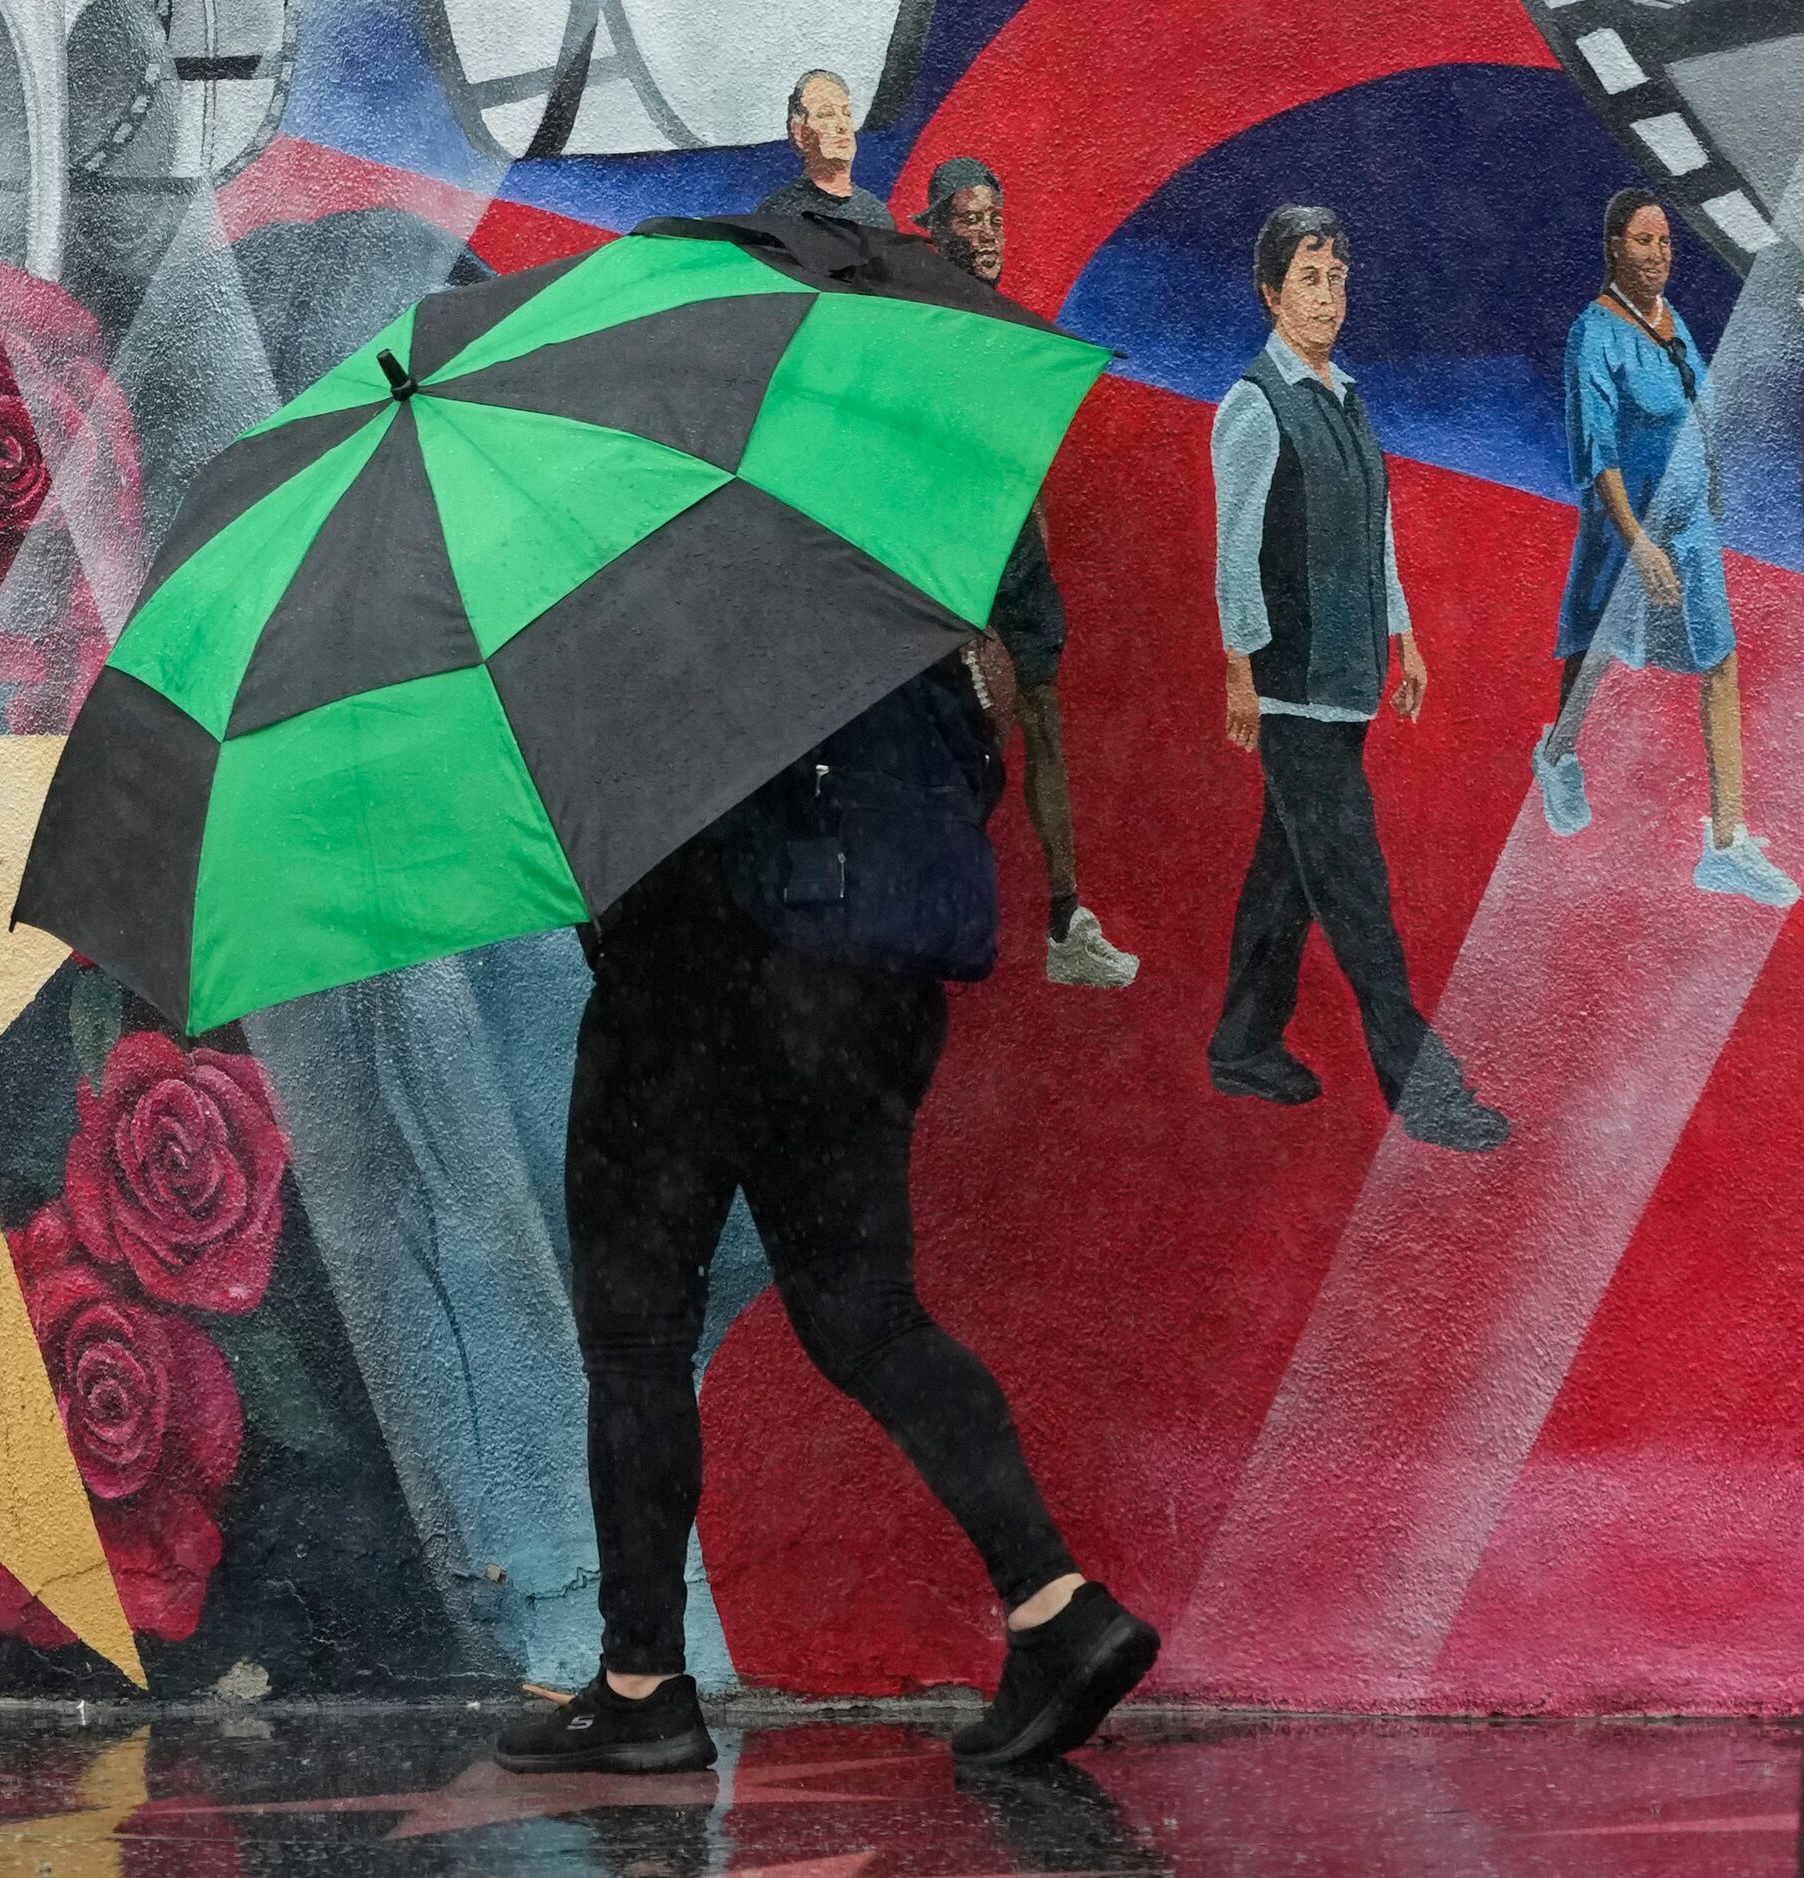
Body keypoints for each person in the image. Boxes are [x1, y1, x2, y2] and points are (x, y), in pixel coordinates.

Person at [495, 643, 1159, 1778]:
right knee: (868, 1316)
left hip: (687, 993)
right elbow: (976, 748)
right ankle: (1053, 1604)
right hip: (864, 989)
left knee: (638, 1343)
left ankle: (642, 1687)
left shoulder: (627, 584)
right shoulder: (837, 552)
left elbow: (602, 814)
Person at [1207, 206, 1509, 1152]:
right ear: (1270, 292)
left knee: (1286, 874)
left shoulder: (1348, 395)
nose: (1329, 295)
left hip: (1349, 676)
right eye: (1309, 277)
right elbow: (1235, 552)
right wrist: (1241, 670)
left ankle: (1244, 1043)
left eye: (1338, 277)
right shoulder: (1253, 404)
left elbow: (1375, 527)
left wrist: (1405, 635)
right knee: (1357, 890)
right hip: (1292, 684)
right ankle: (1427, 1092)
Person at [1530, 189, 1793, 906]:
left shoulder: (1670, 323)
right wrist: (1638, 542)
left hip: (1689, 531)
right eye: (1644, 242)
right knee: (1596, 657)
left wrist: (1708, 498)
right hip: (1628, 531)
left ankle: (1729, 844)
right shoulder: (1595, 335)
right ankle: (1557, 756)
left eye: (1666, 244)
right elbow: (1598, 451)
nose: (1658, 256)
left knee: (1721, 663)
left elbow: (1699, 412)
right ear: (1615, 245)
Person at [917, 156, 1139, 989]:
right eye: (966, 220)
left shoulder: (1013, 329)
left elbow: (1022, 459)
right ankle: (942, 914)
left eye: (993, 220)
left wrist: (1037, 543)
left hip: (1018, 559)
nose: (983, 236)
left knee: (1044, 721)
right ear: (935, 229)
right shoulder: (929, 332)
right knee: (976, 745)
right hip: (960, 568)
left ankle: (1065, 922)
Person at [757, 70, 895, 230]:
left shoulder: (877, 215)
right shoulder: (780, 212)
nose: (842, 125)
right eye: (827, 114)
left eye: (846, 113)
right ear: (799, 131)